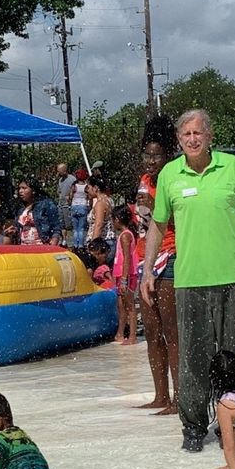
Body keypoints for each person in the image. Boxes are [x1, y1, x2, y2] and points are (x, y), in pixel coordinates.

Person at [140, 108, 235, 453]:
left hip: (232, 279)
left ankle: (231, 421)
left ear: (210, 136)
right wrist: (146, 270)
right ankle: (193, 426)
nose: (192, 139)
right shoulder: (170, 174)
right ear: (178, 139)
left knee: (231, 356)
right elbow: (157, 225)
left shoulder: (232, 167)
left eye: (198, 133)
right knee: (193, 357)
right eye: (186, 134)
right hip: (189, 281)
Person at [136, 116, 181, 415]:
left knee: (171, 330)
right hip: (147, 260)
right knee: (152, 331)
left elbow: (181, 220)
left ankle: (180, 397)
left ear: (168, 155)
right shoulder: (144, 180)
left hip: (173, 257)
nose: (151, 161)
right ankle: (160, 395)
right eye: (147, 155)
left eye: (157, 155)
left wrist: (155, 207)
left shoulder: (175, 179)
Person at [111, 204, 138, 344]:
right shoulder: (124, 235)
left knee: (129, 305)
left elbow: (127, 258)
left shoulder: (125, 236)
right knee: (121, 305)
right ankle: (120, 333)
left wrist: (123, 279)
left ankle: (132, 336)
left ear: (117, 219)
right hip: (121, 274)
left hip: (126, 275)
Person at [9, 178, 62, 246]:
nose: (20, 191)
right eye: (19, 188)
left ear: (33, 190)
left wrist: (54, 240)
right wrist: (14, 230)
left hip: (42, 245)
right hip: (23, 246)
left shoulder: (46, 204)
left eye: (24, 188)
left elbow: (56, 225)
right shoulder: (20, 208)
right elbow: (20, 227)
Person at [86, 176, 115, 260]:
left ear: (95, 188)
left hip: (101, 244)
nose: (87, 190)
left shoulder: (100, 204)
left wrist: (93, 247)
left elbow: (98, 225)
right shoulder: (109, 200)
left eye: (89, 187)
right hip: (108, 242)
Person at [69, 168, 90, 248]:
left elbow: (71, 196)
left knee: (75, 229)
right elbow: (88, 197)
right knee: (81, 229)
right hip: (83, 206)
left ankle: (75, 245)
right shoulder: (86, 186)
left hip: (74, 206)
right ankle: (81, 245)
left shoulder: (74, 185)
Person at [55, 162, 75, 241]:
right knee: (61, 224)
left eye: (59, 171)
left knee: (69, 224)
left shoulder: (72, 179)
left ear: (64, 170)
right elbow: (59, 191)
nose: (58, 173)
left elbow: (75, 190)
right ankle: (64, 240)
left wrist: (70, 197)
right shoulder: (60, 180)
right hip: (61, 204)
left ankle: (71, 240)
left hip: (68, 205)